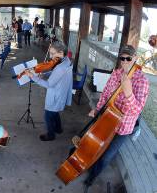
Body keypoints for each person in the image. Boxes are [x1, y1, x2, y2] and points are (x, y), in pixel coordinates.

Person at [83, 45, 149, 189]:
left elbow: (136, 110)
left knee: (107, 156)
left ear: (135, 58)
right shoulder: (116, 73)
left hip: (123, 128)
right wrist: (97, 110)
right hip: (107, 119)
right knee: (97, 147)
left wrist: (128, 93)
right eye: (122, 58)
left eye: (128, 58)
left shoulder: (141, 81)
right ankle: (90, 165)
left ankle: (93, 175)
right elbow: (105, 94)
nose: (124, 62)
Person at [24, 42, 73, 141]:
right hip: (61, 91)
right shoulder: (66, 60)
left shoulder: (60, 67)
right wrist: (45, 74)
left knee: (48, 115)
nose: (50, 56)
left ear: (60, 52)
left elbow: (48, 84)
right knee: (54, 112)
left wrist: (33, 77)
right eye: (50, 53)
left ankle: (50, 135)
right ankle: (58, 129)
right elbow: (55, 72)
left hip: (56, 94)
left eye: (53, 53)